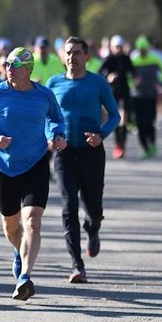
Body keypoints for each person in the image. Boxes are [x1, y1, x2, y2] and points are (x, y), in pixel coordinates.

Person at [0, 47, 66, 301]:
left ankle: (25, 276)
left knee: (32, 221)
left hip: (36, 164)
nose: (9, 69)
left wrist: (57, 135)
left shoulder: (44, 95)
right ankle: (17, 251)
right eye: (7, 64)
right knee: (11, 228)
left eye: (14, 65)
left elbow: (56, 119)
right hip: (5, 167)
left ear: (28, 69)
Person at [46, 37, 120, 283]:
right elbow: (47, 117)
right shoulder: (53, 83)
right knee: (69, 208)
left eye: (77, 52)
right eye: (68, 53)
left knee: (94, 208)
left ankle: (93, 228)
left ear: (86, 56)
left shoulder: (97, 83)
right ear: (63, 56)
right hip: (64, 153)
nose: (72, 57)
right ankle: (77, 264)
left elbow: (114, 116)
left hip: (92, 152)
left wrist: (101, 135)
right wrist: (50, 136)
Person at [131, 36, 162, 157]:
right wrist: (134, 83)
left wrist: (159, 82)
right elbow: (128, 76)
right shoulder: (134, 60)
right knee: (140, 124)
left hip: (151, 95)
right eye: (140, 50)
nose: (142, 52)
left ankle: (152, 144)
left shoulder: (155, 58)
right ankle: (145, 148)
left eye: (144, 49)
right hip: (137, 95)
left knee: (148, 122)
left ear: (147, 49)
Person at [100, 35, 135, 157]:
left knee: (123, 120)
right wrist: (108, 77)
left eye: (120, 46)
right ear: (112, 47)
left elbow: (133, 71)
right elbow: (100, 74)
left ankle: (122, 145)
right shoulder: (108, 59)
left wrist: (137, 78)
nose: (119, 49)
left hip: (125, 93)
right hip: (112, 93)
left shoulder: (126, 58)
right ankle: (117, 144)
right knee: (115, 120)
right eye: (116, 47)